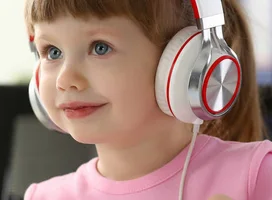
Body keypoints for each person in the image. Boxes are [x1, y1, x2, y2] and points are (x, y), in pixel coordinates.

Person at [23, 0, 272, 199]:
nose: (65, 79)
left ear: (187, 62)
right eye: (52, 52)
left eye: (100, 47)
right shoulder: (45, 196)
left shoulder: (255, 175)